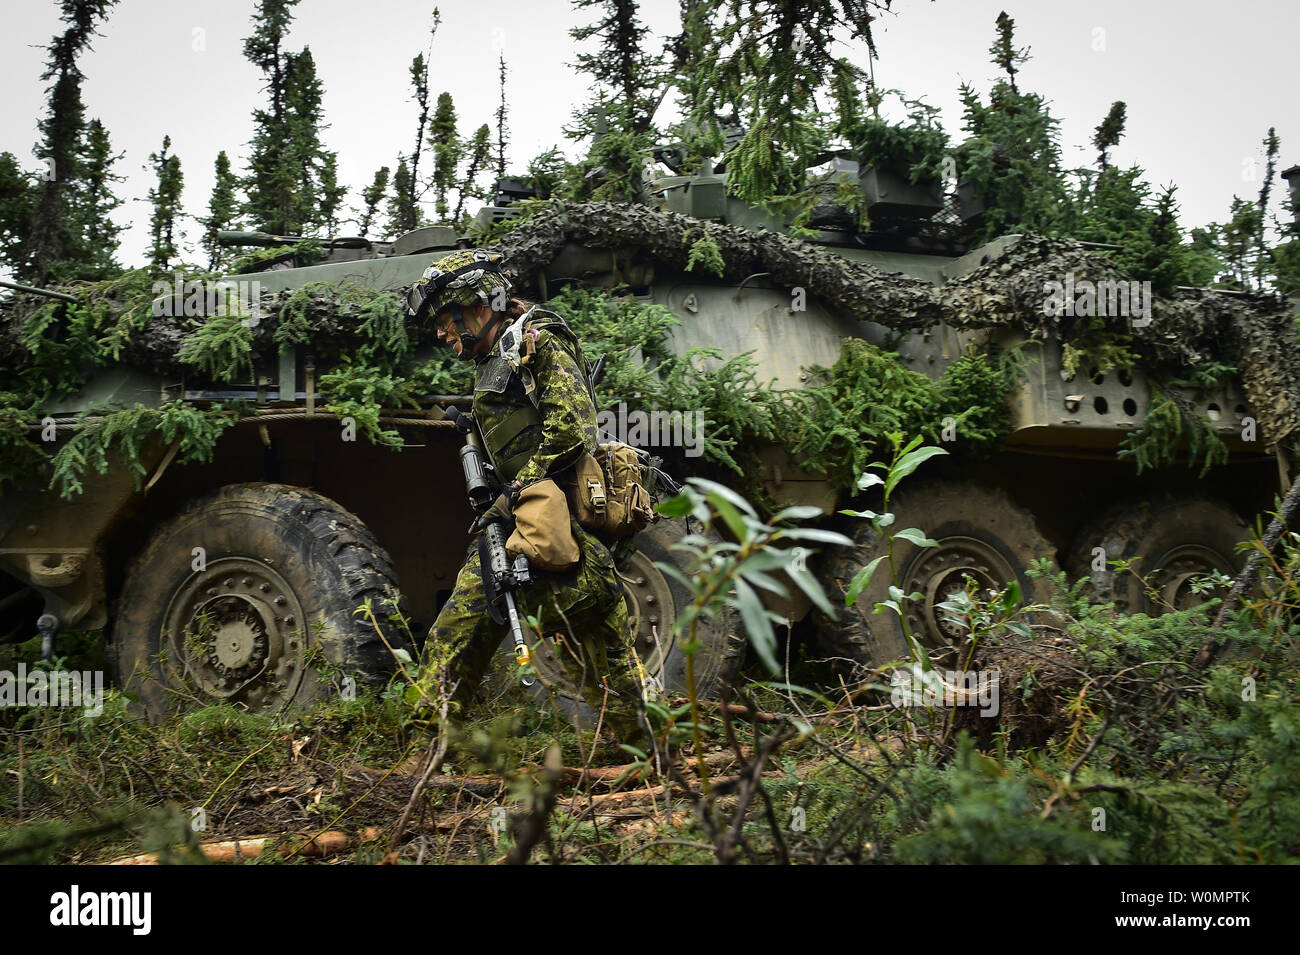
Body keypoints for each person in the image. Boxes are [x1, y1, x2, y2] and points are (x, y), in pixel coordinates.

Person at [406, 248, 648, 745]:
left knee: (464, 625)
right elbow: (528, 431)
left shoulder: (536, 341)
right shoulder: (497, 357)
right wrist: (477, 430)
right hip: (545, 523)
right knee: (603, 649)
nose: (440, 333)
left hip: (556, 520)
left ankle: (420, 754)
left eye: (444, 320)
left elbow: (573, 429)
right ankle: (641, 751)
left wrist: (514, 490)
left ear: (475, 305)